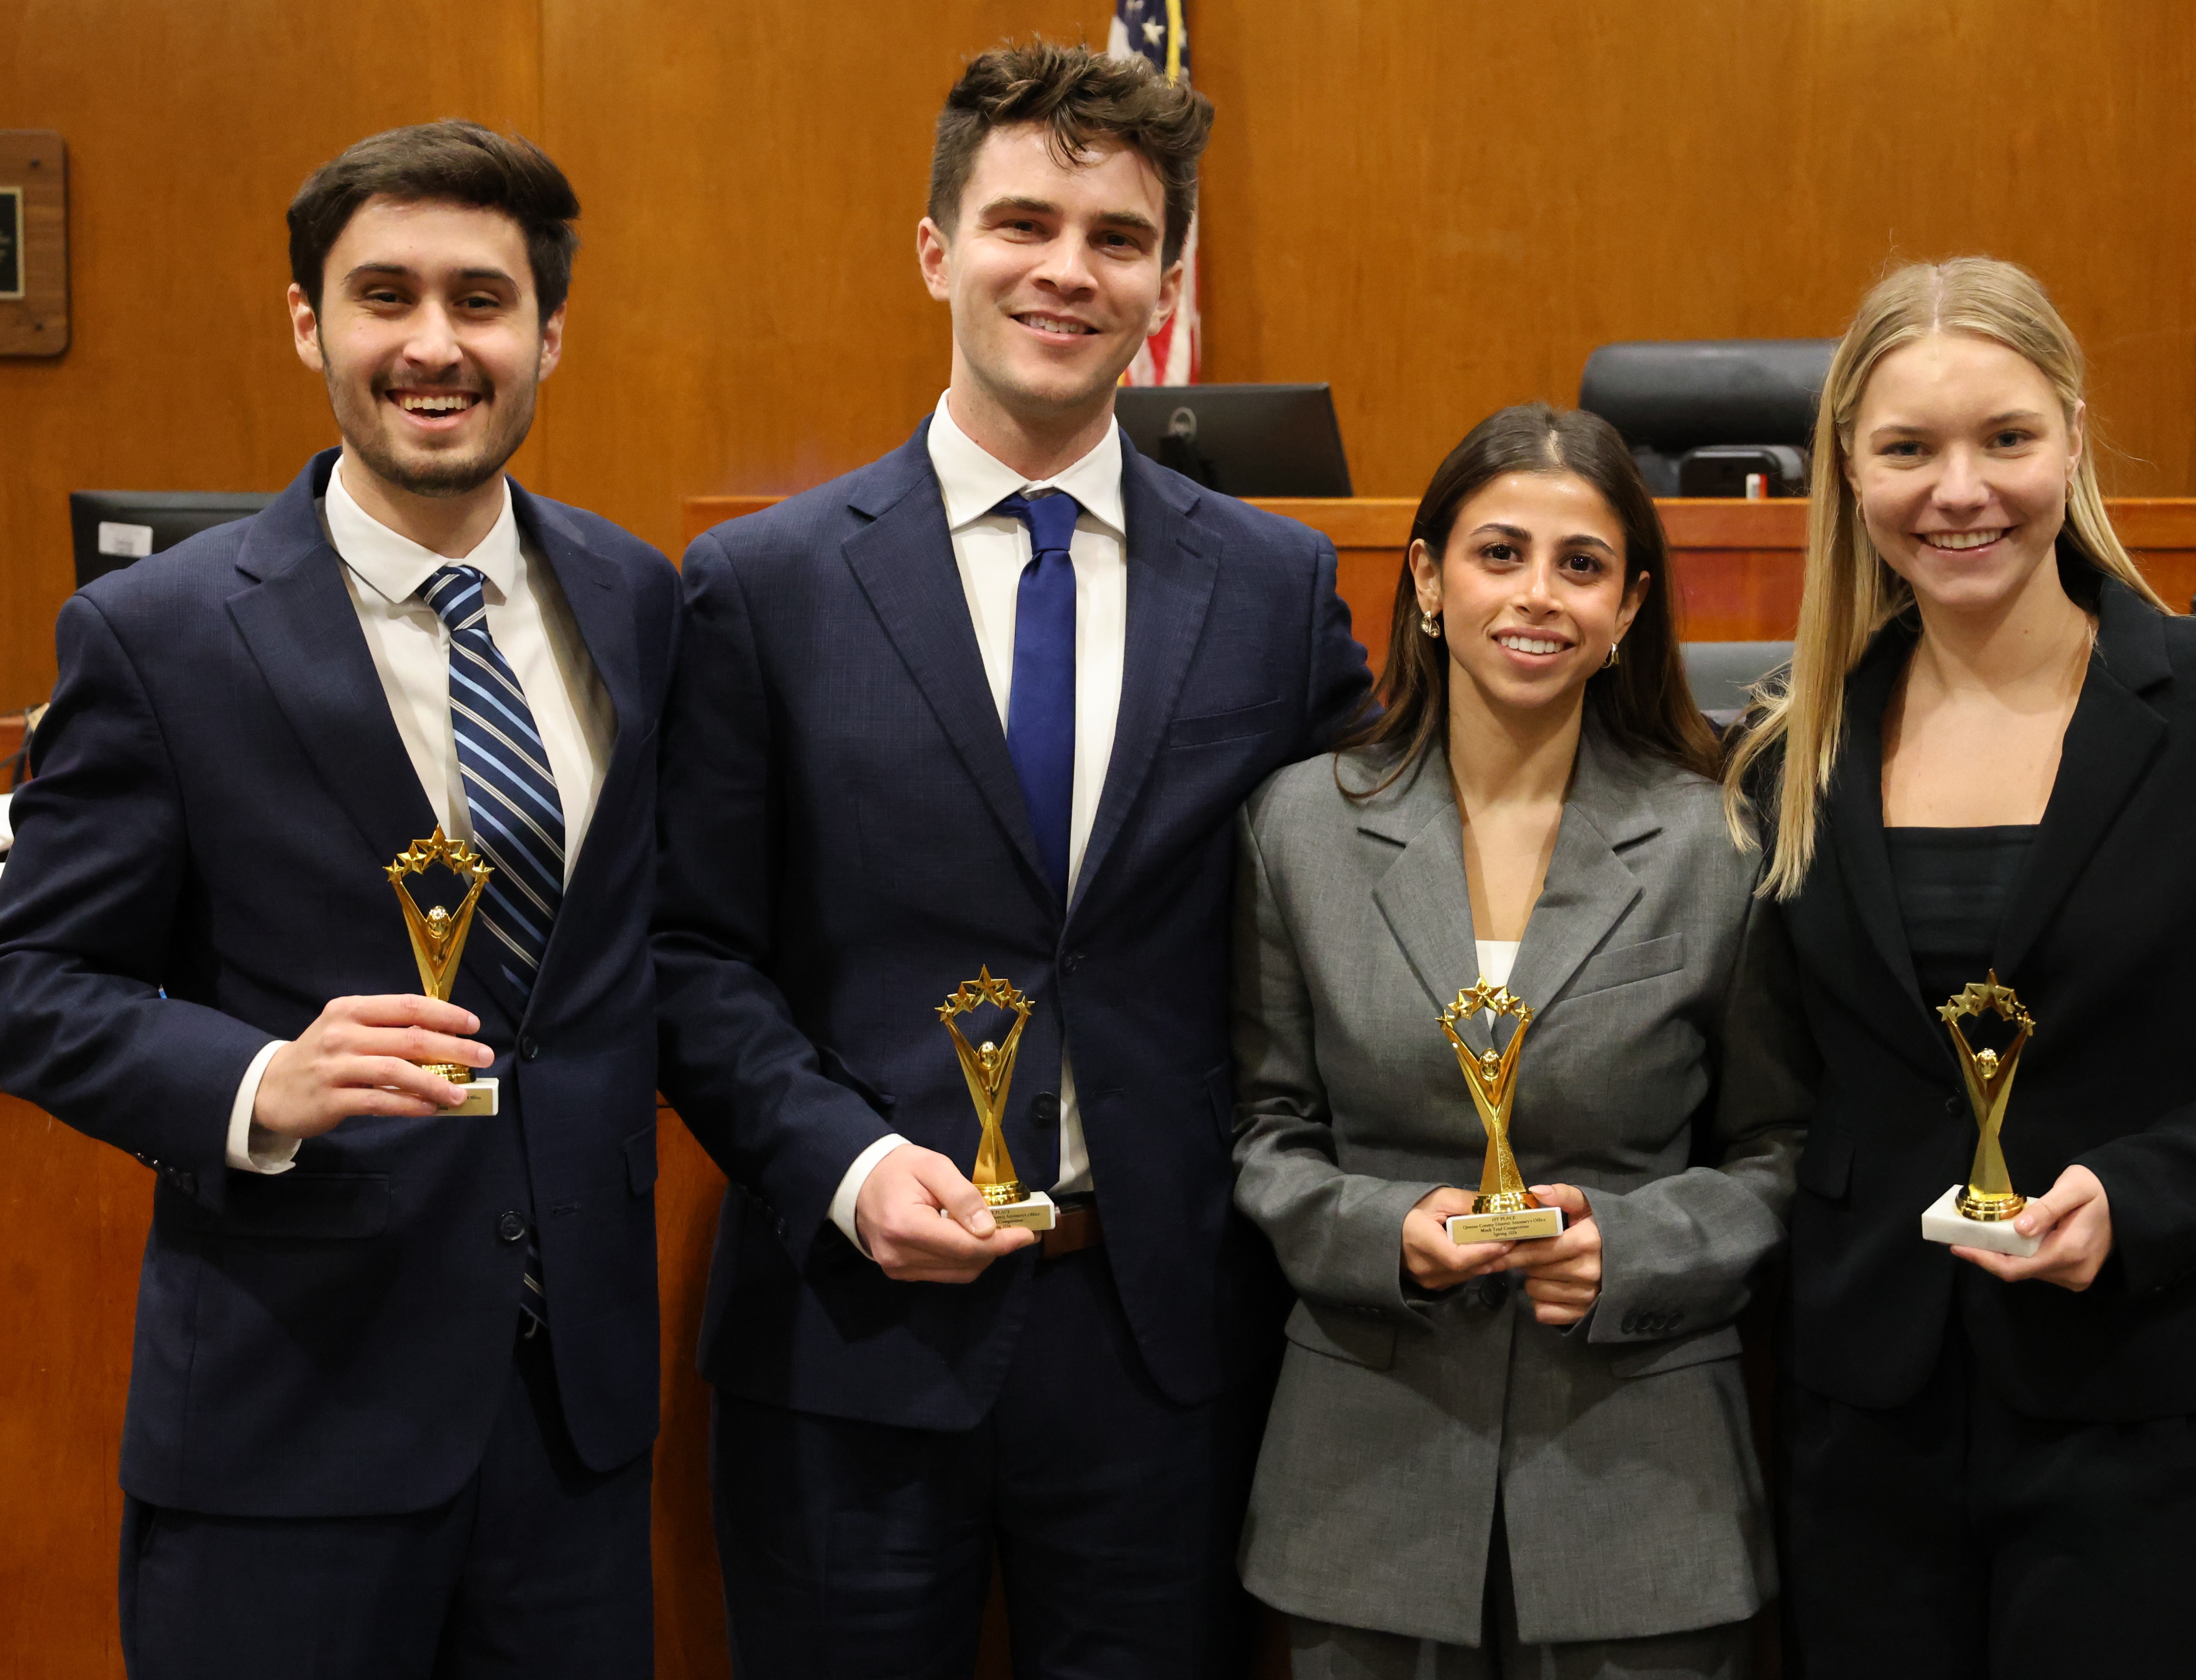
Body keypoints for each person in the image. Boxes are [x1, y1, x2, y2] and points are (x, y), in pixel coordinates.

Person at [651, 40, 1375, 1680]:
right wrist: (841, 1163)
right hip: (846, 1333)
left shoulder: (1272, 589)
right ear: (935, 249)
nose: (1067, 269)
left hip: (1159, 1340)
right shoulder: (759, 587)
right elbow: (688, 953)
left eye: (1117, 238)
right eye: (1023, 223)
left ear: (1164, 279)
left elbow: (1376, 884)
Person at [0, 123, 680, 1679]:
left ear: (549, 333)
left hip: (570, 1430)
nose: (434, 346)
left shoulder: (638, 598)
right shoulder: (154, 636)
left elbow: (649, 958)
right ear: (309, 322)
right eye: (384, 297)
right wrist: (254, 1080)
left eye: (481, 301)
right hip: (283, 1428)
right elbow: (28, 974)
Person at [1725, 257, 2196, 1678]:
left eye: (2004, 439)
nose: (1957, 491)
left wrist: (2137, 1198)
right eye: (1907, 449)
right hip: (1864, 1416)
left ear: (2073, 438)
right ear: (1848, 472)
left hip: (2142, 1395)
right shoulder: (1795, 748)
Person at [1230, 403, 1810, 1680]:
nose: (1536, 596)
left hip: (1641, 1473)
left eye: (1580, 564)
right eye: (1498, 554)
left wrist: (1641, 1249)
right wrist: (1384, 1233)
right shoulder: (1297, 829)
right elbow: (1263, 1131)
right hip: (1365, 1478)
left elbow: (1783, 1145)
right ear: (1427, 579)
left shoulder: (1718, 840)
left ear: (1628, 608)